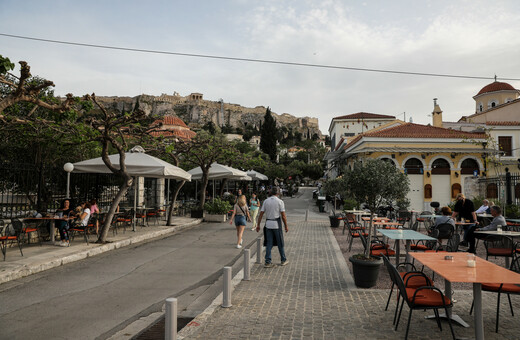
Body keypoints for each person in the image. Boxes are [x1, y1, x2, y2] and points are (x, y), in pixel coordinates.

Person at [256, 187, 289, 267]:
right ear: (278, 193)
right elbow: (283, 216)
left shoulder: (266, 201)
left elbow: (261, 214)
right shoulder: (280, 202)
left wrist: (258, 225)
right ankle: (283, 259)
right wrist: (286, 226)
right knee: (280, 242)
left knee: (269, 243)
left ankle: (268, 261)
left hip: (268, 223)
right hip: (276, 224)